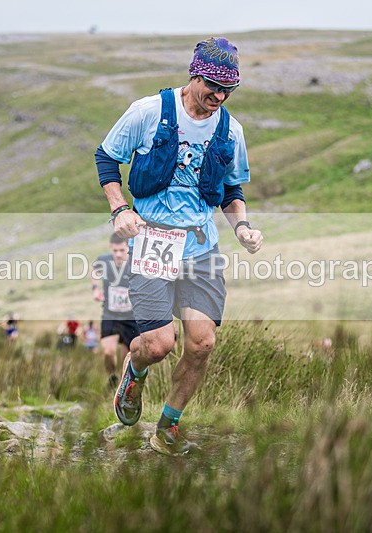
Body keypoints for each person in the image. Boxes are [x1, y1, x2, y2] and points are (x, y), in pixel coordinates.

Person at [95, 37, 263, 455]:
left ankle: (168, 425)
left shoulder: (231, 129)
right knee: (158, 344)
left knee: (203, 342)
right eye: (212, 86)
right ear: (194, 73)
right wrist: (120, 210)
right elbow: (106, 157)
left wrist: (242, 226)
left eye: (228, 90)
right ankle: (133, 373)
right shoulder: (149, 112)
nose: (219, 97)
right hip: (152, 239)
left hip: (201, 246)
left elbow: (231, 187)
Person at [91, 232, 140, 389]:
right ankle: (112, 377)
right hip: (110, 313)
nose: (118, 254)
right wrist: (95, 289)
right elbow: (93, 269)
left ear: (128, 247)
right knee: (108, 352)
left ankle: (122, 387)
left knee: (128, 358)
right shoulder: (104, 261)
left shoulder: (135, 263)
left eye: (121, 250)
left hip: (131, 317)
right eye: (115, 251)